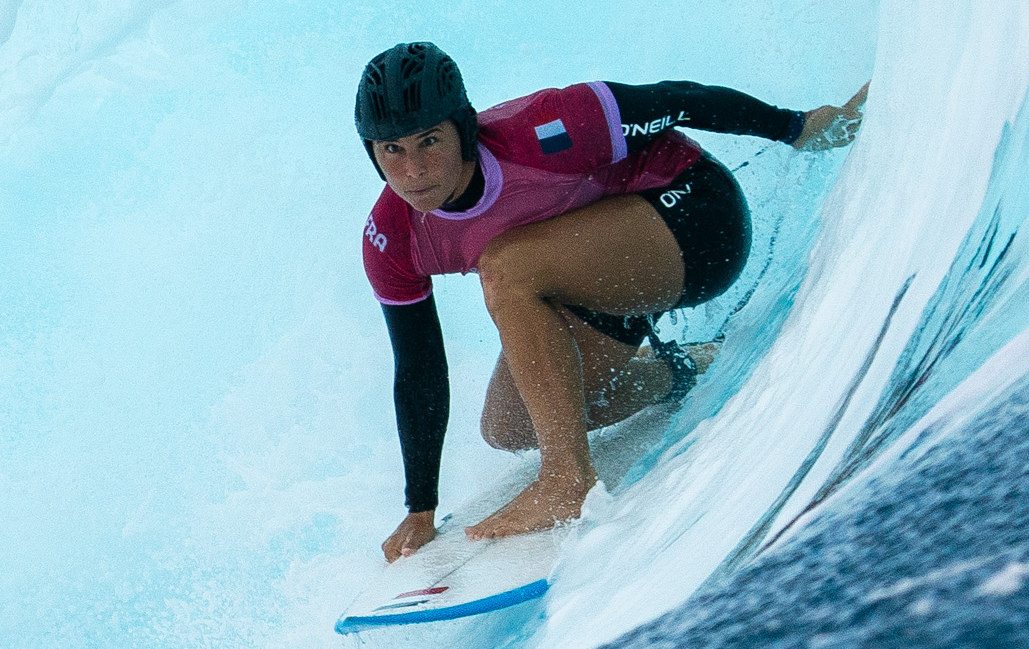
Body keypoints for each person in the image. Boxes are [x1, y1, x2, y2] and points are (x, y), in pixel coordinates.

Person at [356, 42, 867, 557]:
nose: (414, 170)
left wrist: (798, 127)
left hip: (698, 223)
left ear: (463, 129)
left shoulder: (548, 127)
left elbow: (681, 99)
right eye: (392, 150)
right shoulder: (392, 238)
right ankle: (681, 370)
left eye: (429, 141)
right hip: (600, 283)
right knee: (510, 426)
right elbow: (418, 366)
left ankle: (566, 479)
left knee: (506, 266)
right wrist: (419, 509)